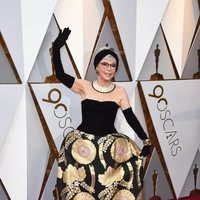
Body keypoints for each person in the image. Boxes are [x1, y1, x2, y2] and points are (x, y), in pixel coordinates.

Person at [52, 27, 151, 200]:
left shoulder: (119, 92)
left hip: (108, 151)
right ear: (97, 67)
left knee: (109, 190)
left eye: (113, 65)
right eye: (104, 64)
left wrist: (145, 139)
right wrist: (57, 47)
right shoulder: (84, 86)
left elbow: (130, 117)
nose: (109, 68)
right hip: (82, 147)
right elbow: (60, 74)